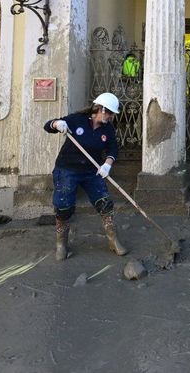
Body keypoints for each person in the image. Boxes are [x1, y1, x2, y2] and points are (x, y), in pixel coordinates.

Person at [44, 92, 128, 261]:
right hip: (67, 169)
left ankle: (113, 240)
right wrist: (57, 123)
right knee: (64, 207)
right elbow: (48, 126)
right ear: (101, 109)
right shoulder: (77, 120)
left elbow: (113, 149)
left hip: (92, 171)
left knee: (105, 203)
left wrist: (107, 165)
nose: (111, 117)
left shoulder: (108, 129)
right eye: (110, 113)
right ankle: (62, 244)